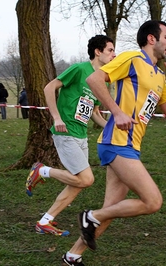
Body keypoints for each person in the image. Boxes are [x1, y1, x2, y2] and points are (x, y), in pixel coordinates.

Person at [60, 20, 166, 266]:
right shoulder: (132, 59)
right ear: (152, 39)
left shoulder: (160, 76)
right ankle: (91, 216)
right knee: (152, 201)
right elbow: (95, 80)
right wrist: (116, 111)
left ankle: (72, 256)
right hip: (116, 143)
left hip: (131, 146)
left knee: (113, 207)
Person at [24, 35, 116, 237]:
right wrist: (56, 117)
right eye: (110, 50)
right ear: (98, 52)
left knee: (78, 183)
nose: (114, 54)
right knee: (86, 179)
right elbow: (49, 87)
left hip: (81, 134)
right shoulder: (79, 69)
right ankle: (42, 170)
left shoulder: (102, 80)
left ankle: (45, 221)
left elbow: (93, 112)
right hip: (65, 132)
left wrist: (112, 126)